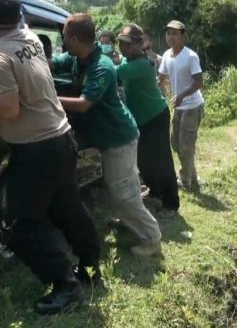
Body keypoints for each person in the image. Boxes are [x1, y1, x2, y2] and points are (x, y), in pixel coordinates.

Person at [0, 0, 101, 315]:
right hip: (62, 139)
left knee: (17, 227)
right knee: (68, 208)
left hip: (36, 150)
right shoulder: (30, 38)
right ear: (20, 17)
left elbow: (9, 109)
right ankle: (89, 268)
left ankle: (65, 285)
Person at [52, 13, 162, 258]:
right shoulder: (76, 58)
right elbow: (51, 64)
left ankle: (151, 238)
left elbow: (83, 104)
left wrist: (45, 99)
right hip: (108, 136)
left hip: (118, 136)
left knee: (124, 191)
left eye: (65, 37)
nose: (64, 42)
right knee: (124, 188)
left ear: (75, 38)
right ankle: (130, 219)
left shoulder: (103, 67)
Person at [116, 24, 180, 218]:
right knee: (144, 159)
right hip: (142, 119)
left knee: (162, 160)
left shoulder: (141, 65)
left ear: (139, 44)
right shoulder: (130, 60)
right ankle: (154, 191)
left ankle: (171, 204)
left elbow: (114, 73)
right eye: (120, 43)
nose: (123, 48)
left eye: (127, 44)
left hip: (155, 116)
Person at [158, 20, 205, 191]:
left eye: (175, 33)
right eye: (168, 33)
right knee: (176, 143)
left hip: (192, 105)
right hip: (177, 105)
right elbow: (161, 77)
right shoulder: (166, 55)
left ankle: (185, 181)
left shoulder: (190, 56)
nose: (171, 37)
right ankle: (192, 175)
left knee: (185, 145)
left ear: (183, 37)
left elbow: (198, 82)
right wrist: (158, 88)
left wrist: (182, 95)